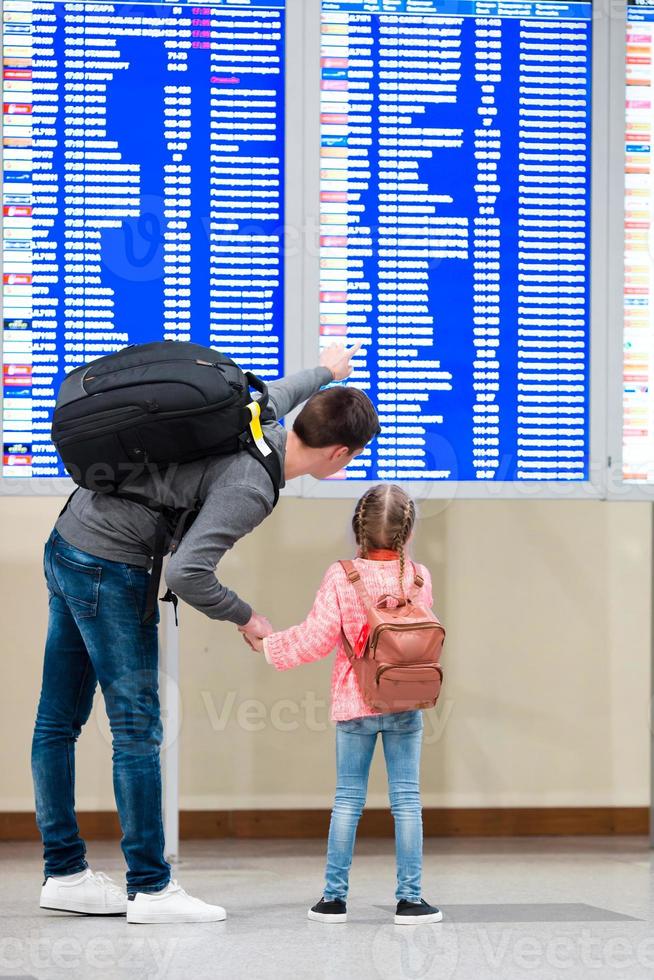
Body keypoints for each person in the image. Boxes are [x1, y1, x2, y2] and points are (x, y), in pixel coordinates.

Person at [32, 342, 380, 924]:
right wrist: (248, 617)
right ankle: (150, 888)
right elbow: (188, 572)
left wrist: (329, 369)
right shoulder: (252, 486)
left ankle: (63, 872)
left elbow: (290, 386)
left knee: (57, 720)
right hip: (110, 568)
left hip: (70, 538)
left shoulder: (259, 412)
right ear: (338, 456)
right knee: (138, 730)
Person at [249, 484, 442, 925]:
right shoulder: (418, 576)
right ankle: (410, 900)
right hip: (404, 702)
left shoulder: (341, 575)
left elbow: (318, 639)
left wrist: (269, 646)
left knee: (348, 800)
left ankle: (333, 900)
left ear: (358, 527)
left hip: (355, 703)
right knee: (407, 802)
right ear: (406, 533)